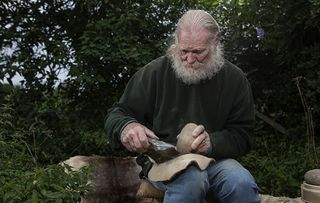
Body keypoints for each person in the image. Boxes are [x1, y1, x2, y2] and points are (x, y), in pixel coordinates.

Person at [105, 9, 260, 203]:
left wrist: (211, 143)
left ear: (216, 41)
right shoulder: (155, 73)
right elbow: (118, 113)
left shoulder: (235, 79)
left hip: (216, 161)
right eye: (184, 51)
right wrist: (127, 127)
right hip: (164, 161)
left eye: (198, 52)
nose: (189, 59)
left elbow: (244, 135)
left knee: (241, 183)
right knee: (192, 179)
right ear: (176, 41)